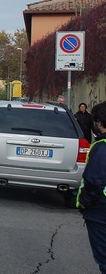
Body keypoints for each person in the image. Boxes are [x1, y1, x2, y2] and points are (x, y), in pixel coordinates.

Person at [77, 101, 106, 273]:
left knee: (103, 257)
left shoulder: (101, 147)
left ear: (100, 122)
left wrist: (84, 202)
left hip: (100, 209)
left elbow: (95, 180)